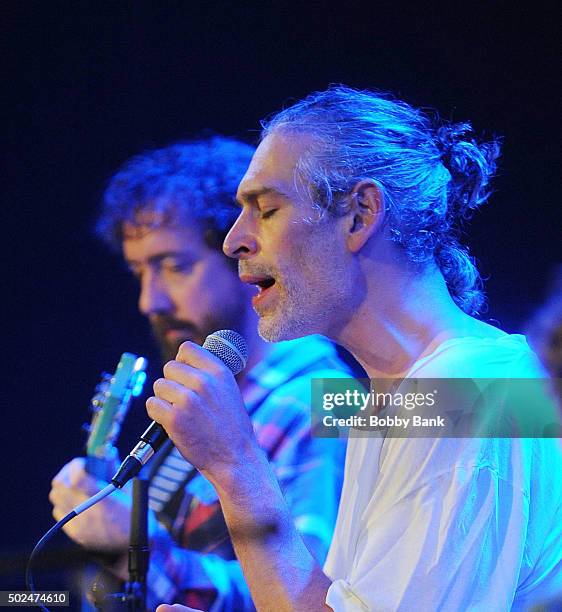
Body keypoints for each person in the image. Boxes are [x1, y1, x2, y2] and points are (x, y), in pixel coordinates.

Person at [146, 88, 562, 611]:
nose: (233, 241)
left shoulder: (472, 389)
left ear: (361, 214)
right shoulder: (396, 399)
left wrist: (235, 464)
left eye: (267, 209)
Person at [49, 137, 349, 611]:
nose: (151, 301)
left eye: (174, 266)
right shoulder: (213, 392)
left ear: (243, 257)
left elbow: (316, 598)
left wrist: (138, 552)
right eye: (139, 272)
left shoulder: (316, 401)